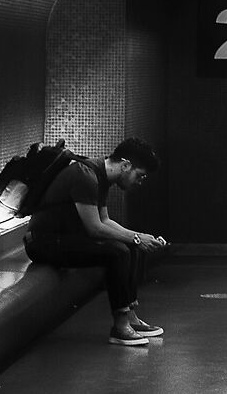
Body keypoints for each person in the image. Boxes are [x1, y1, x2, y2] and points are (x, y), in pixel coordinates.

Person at [24, 138, 170, 346]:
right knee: (118, 252)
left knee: (129, 247)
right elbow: (95, 228)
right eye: (139, 175)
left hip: (64, 239)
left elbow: (105, 220)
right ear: (125, 165)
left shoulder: (99, 175)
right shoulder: (85, 176)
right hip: (43, 243)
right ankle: (120, 326)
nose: (140, 182)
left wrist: (139, 237)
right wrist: (136, 238)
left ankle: (131, 317)